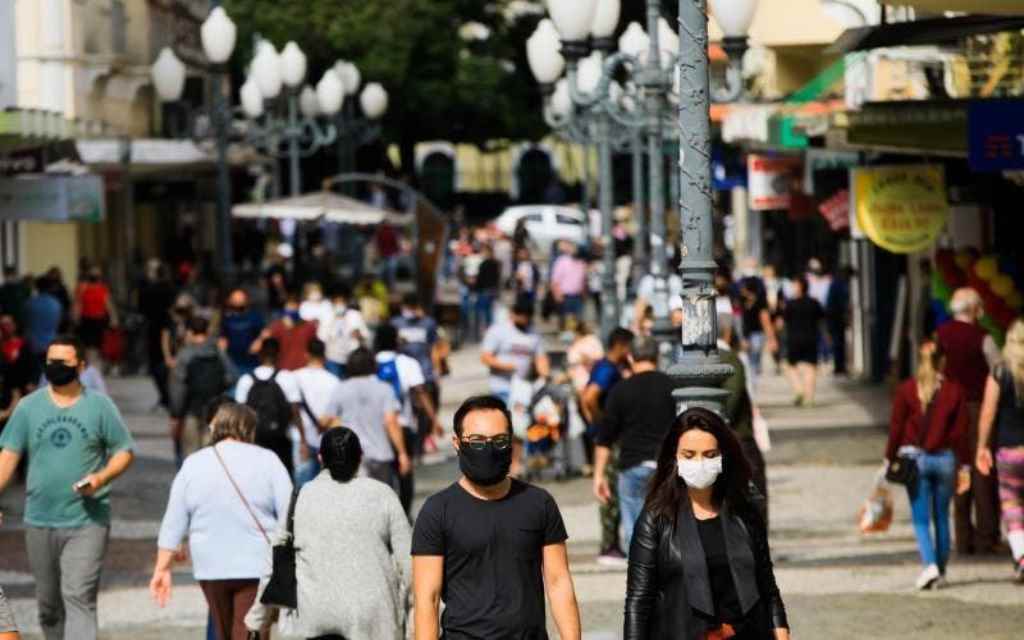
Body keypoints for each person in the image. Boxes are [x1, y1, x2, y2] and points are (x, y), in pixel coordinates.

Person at [412, 396, 581, 640]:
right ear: (457, 443)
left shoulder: (538, 503)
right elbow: (427, 598)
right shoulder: (437, 510)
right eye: (478, 441)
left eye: (500, 441)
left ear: (511, 442)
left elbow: (558, 581)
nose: (489, 449)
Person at [0, 336, 135, 640]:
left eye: (63, 363)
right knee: (48, 605)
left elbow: (124, 451)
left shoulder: (100, 406)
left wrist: (100, 478)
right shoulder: (28, 407)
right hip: (39, 519)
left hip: (88, 520)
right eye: (51, 362)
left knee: (79, 597)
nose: (55, 368)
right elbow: (8, 457)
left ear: (81, 366)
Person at [624, 407, 790, 640]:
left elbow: (768, 589)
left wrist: (782, 634)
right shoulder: (656, 519)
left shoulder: (744, 513)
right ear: (675, 458)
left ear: (723, 456)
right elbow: (638, 601)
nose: (700, 463)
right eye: (689, 455)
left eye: (710, 455)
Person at [245, 427, 411, 640]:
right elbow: (409, 564)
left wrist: (257, 619)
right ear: (360, 457)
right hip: (373, 618)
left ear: (321, 457)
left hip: (314, 617)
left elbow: (274, 563)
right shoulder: (383, 495)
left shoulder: (299, 497)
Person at [151, 403, 291, 640]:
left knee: (223, 630)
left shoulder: (194, 463)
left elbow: (174, 520)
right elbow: (289, 512)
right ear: (250, 429)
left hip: (210, 565)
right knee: (249, 630)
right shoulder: (268, 461)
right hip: (257, 562)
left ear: (215, 427)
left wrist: (162, 568)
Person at [887, 340, 972, 589]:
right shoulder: (955, 391)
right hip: (945, 459)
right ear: (943, 361)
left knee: (921, 520)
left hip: (915, 461)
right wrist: (964, 465)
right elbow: (960, 433)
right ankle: (941, 570)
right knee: (942, 517)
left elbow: (896, 427)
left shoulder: (907, 390)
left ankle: (930, 565)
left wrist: (889, 457)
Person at [594, 338, 676, 554]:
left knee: (634, 530)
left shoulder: (620, 390)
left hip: (632, 464)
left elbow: (605, 438)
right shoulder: (672, 386)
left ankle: (642, 579)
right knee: (667, 524)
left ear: (630, 358)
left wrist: (599, 475)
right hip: (665, 465)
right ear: (657, 357)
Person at [937, 287, 1000, 556]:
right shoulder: (983, 338)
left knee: (958, 468)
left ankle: (963, 537)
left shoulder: (940, 335)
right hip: (977, 407)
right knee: (982, 469)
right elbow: (998, 372)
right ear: (974, 309)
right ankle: (987, 536)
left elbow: (934, 372)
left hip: (950, 411)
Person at [581, 327, 634, 566]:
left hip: (606, 435)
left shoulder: (604, 367)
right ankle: (609, 545)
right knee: (610, 490)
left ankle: (612, 544)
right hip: (611, 439)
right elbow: (589, 397)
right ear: (621, 346)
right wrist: (601, 422)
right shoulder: (608, 371)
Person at [976, 319, 1024, 582]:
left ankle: (1021, 556)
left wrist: (982, 446)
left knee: (1012, 504)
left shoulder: (1000, 372)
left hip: (1008, 451)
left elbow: (988, 412)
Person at [375, 325, 440, 514]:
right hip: (404, 426)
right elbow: (421, 392)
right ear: (396, 340)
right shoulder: (408, 363)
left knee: (382, 476)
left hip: (377, 428)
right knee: (405, 473)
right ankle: (403, 514)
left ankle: (384, 514)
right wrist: (433, 419)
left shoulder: (368, 363)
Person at [329, 347, 411, 494]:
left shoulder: (340, 389)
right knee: (383, 496)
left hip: (352, 454)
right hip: (381, 453)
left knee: (359, 499)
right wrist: (402, 453)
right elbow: (391, 422)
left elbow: (331, 420)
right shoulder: (384, 389)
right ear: (373, 365)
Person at [716, 316, 770, 525]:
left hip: (725, 437)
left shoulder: (702, 358)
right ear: (729, 332)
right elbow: (732, 398)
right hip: (738, 438)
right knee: (754, 492)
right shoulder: (730, 359)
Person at [169, 317, 239, 462]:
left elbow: (177, 386)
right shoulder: (217, 352)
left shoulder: (185, 354)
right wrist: (220, 386)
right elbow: (233, 375)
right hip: (215, 410)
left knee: (191, 453)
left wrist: (176, 413)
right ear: (207, 331)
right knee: (212, 453)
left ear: (189, 332)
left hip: (191, 409)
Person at [235, 339, 301, 476]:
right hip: (281, 439)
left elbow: (239, 414)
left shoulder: (245, 379)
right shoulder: (287, 377)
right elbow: (295, 411)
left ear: (260, 355)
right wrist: (303, 440)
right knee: (283, 478)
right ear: (278, 355)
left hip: (253, 440)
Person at [392, 294, 444, 454]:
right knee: (409, 409)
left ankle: (421, 442)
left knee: (427, 408)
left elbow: (434, 348)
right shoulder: (396, 323)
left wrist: (437, 370)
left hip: (425, 372)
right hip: (405, 372)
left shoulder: (428, 323)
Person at [292, 339, 343, 487]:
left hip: (300, 438)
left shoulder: (295, 377)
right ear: (324, 356)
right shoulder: (334, 381)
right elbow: (336, 413)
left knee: (302, 486)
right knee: (326, 486)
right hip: (325, 437)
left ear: (306, 355)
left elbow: (292, 410)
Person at [481, 298, 550, 406]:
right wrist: (507, 366)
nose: (523, 318)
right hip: (500, 386)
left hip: (523, 387)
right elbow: (485, 357)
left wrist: (545, 375)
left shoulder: (534, 334)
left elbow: (540, 358)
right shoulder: (498, 330)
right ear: (513, 313)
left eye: (527, 315)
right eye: (520, 314)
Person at [138, 260, 175, 410]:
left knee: (155, 363)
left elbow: (140, 308)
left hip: (153, 327)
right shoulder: (171, 289)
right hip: (167, 325)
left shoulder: (147, 289)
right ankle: (168, 395)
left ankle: (165, 395)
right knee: (168, 361)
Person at [781, 277, 824, 407]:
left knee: (788, 365)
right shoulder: (814, 302)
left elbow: (783, 321)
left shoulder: (790, 304)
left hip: (794, 339)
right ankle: (809, 398)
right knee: (811, 368)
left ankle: (799, 390)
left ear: (799, 287)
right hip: (811, 339)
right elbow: (822, 319)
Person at [254, 294, 318, 371]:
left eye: (295, 305)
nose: (292, 308)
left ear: (299, 307)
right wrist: (262, 337)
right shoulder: (276, 326)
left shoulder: (309, 327)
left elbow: (315, 350)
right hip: (282, 371)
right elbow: (255, 349)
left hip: (303, 372)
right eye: (289, 305)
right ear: (284, 307)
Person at [324, 285, 369, 378]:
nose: (340, 304)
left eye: (342, 301)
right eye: (337, 301)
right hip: (333, 357)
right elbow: (322, 337)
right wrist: (333, 321)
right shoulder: (327, 316)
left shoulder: (355, 315)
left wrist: (358, 334)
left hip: (351, 358)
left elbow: (366, 335)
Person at [738, 278, 778, 383]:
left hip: (757, 334)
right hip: (746, 334)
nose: (741, 289)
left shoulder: (760, 302)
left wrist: (772, 339)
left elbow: (766, 321)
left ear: (749, 288)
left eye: (743, 287)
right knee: (748, 360)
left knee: (754, 360)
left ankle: (752, 381)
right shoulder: (742, 301)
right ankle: (751, 380)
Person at [218, 289, 264, 377]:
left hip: (252, 363)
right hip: (233, 363)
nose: (238, 301)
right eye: (235, 299)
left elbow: (265, 332)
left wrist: (260, 340)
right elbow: (222, 336)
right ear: (230, 301)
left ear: (246, 300)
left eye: (240, 299)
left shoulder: (254, 316)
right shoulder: (226, 317)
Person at [73, 267, 118, 352]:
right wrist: (114, 320)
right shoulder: (101, 289)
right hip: (92, 320)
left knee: (92, 346)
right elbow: (109, 305)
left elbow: (77, 305)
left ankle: (93, 362)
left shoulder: (83, 288)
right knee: (94, 346)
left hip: (92, 320)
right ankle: (94, 362)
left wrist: (75, 319)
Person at [24, 277, 63, 365]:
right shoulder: (56, 304)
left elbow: (25, 322)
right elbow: (58, 323)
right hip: (51, 343)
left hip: (32, 345)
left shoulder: (29, 303)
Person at [550, 241, 587, 330]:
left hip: (578, 296)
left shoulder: (581, 263)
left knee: (577, 321)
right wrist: (557, 294)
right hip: (565, 296)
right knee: (566, 321)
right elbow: (555, 280)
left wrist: (584, 293)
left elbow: (583, 280)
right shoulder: (562, 261)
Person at [825, 266, 853, 376]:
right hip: (836, 317)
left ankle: (839, 366)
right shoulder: (839, 284)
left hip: (834, 317)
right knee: (838, 342)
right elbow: (842, 303)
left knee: (838, 342)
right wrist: (846, 315)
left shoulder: (836, 283)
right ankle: (839, 367)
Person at [474, 244, 502, 336]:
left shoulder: (486, 263)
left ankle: (482, 332)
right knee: (488, 313)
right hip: (490, 290)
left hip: (484, 290)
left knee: (483, 312)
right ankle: (488, 332)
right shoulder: (495, 263)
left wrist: (476, 288)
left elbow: (480, 279)